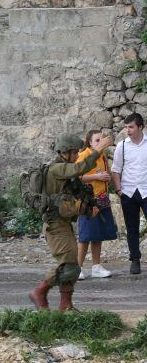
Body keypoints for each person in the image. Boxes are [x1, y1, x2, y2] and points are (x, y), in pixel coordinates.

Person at [29, 132, 112, 311]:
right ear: (64, 152)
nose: (76, 157)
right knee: (69, 264)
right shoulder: (56, 169)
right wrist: (97, 151)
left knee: (71, 263)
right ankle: (40, 291)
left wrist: (88, 206)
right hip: (54, 225)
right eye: (74, 153)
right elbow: (79, 169)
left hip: (63, 223)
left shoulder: (65, 167)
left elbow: (74, 194)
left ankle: (66, 304)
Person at [76, 130, 117, 279]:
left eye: (102, 139)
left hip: (102, 199)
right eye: (97, 140)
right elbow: (77, 176)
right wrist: (97, 176)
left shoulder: (102, 155)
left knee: (98, 234)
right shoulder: (84, 155)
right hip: (88, 200)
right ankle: (78, 268)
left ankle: (96, 266)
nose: (101, 142)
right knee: (85, 235)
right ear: (90, 142)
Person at [113, 112, 147, 274]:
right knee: (132, 228)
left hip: (146, 191)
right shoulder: (123, 146)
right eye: (126, 127)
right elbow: (116, 170)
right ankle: (135, 259)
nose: (128, 130)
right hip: (128, 192)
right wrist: (119, 190)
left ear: (141, 127)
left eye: (131, 127)